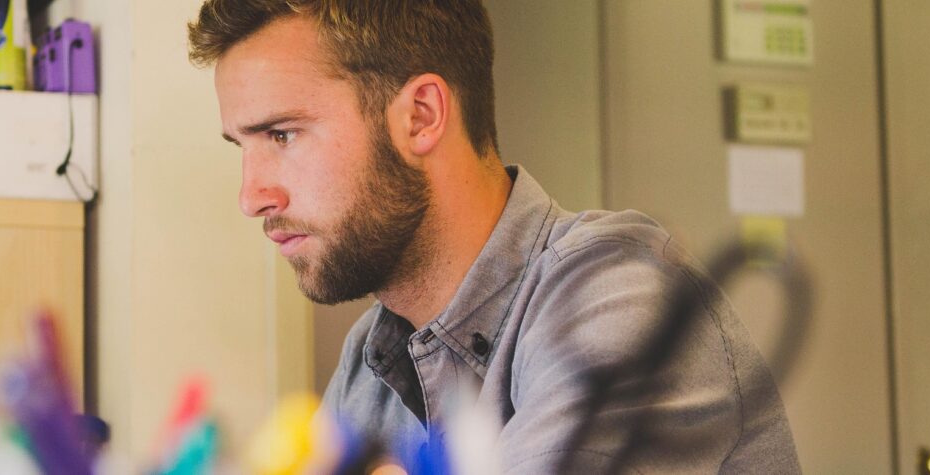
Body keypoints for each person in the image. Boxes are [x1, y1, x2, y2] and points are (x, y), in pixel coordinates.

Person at [188, 1, 800, 472]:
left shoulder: (624, 296)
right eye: (242, 146)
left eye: (282, 136)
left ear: (421, 116)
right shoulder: (369, 360)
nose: (251, 197)